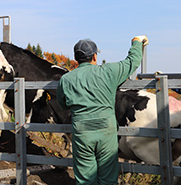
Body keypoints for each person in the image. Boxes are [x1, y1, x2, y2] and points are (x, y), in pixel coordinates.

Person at [57, 36, 149, 185]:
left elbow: (62, 104)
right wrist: (137, 42)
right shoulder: (108, 71)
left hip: (82, 132)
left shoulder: (66, 79)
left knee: (85, 179)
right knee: (108, 178)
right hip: (106, 130)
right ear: (94, 56)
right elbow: (132, 62)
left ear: (76, 58)